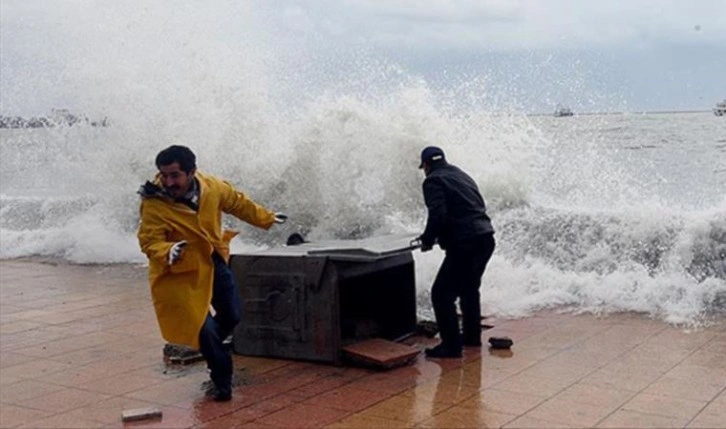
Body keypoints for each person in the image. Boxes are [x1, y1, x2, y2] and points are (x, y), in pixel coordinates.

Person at [136, 145, 286, 401]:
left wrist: (267, 218)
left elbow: (238, 203)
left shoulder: (212, 187)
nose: (168, 182)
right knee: (203, 329)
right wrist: (168, 250)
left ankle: (210, 346)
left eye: (175, 175)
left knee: (233, 314)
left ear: (192, 171)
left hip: (212, 260)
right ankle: (221, 379)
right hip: (178, 273)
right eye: (164, 175)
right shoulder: (154, 204)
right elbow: (149, 241)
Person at [415, 146, 496, 358]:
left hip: (466, 243)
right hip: (485, 238)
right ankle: (471, 337)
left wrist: (427, 239)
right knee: (469, 289)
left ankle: (451, 346)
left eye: (423, 167)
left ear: (426, 165)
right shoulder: (461, 175)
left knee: (441, 295)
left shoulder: (432, 181)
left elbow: (438, 215)